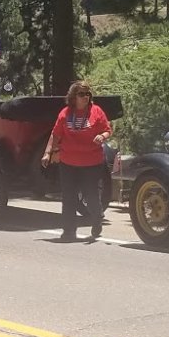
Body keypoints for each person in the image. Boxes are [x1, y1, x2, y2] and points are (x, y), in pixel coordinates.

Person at [41, 80, 113, 241]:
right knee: (69, 197)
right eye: (81, 94)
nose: (85, 97)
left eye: (88, 94)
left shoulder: (96, 111)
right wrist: (47, 153)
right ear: (73, 97)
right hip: (68, 163)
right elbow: (56, 134)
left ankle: (96, 218)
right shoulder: (65, 113)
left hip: (91, 163)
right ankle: (68, 231)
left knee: (91, 195)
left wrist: (102, 136)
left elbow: (107, 130)